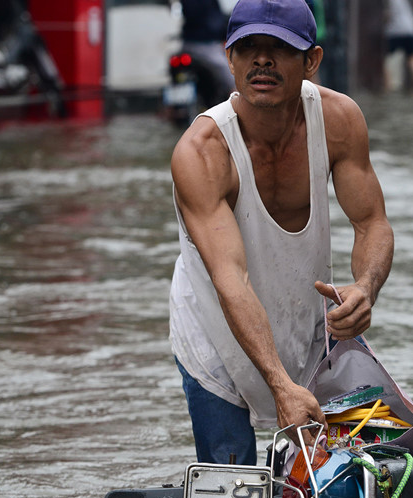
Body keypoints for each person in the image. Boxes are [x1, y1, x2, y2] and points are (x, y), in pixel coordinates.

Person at [168, 0, 395, 465]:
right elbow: (230, 279)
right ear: (229, 58)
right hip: (216, 327)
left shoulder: (338, 121)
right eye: (248, 48)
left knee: (353, 473)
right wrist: (279, 385)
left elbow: (371, 223)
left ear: (311, 61)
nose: (262, 61)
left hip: (309, 323)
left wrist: (365, 289)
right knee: (233, 492)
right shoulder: (202, 152)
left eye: (279, 48)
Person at [179, 0, 234, 103]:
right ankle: (237, 105)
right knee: (230, 75)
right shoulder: (206, 5)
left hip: (188, 44)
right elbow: (214, 21)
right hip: (205, 45)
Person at [385, 0, 413, 91]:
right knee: (412, 59)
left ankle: (387, 87)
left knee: (384, 60)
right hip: (411, 30)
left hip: (396, 31)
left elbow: (388, 15)